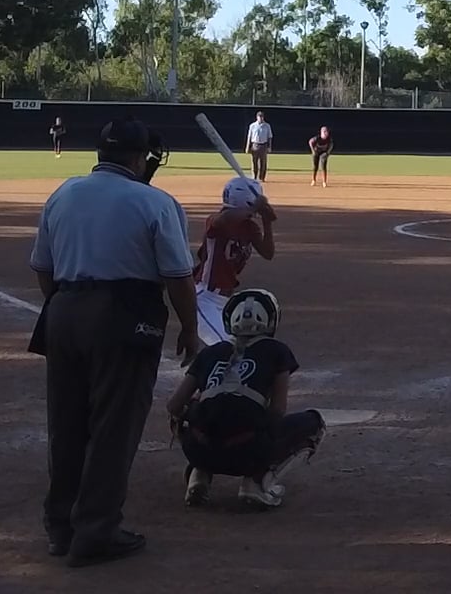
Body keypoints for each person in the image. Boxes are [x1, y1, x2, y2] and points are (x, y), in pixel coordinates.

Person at [27, 117, 204, 568]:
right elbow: (178, 277)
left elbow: (43, 267)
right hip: (123, 315)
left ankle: (60, 527)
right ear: (140, 157)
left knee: (66, 423)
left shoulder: (64, 192)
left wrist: (67, 306)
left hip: (63, 310)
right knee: (114, 426)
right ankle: (96, 531)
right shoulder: (155, 201)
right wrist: (189, 328)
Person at [166, 289, 326, 511]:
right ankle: (257, 482)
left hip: (198, 450)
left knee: (192, 416)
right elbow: (277, 411)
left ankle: (199, 472)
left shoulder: (210, 352)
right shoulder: (277, 351)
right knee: (314, 424)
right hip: (248, 453)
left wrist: (199, 409)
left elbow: (173, 406)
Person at [192, 178, 277, 346]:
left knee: (237, 347)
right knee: (226, 346)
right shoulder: (216, 220)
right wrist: (254, 208)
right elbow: (224, 219)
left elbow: (268, 253)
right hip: (204, 298)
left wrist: (267, 222)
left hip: (226, 301)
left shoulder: (249, 227)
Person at [245, 113, 274, 181]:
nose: (260, 118)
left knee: (263, 162)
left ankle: (262, 177)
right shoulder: (252, 125)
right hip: (255, 145)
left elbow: (270, 137)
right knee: (254, 162)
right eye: (259, 117)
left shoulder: (267, 126)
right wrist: (247, 146)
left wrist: (269, 147)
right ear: (257, 117)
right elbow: (249, 136)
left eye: (262, 117)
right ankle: (254, 176)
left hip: (263, 145)